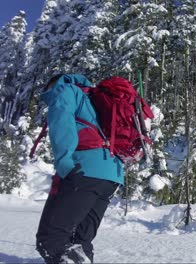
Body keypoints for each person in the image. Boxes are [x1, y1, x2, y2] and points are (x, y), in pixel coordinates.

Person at [35, 74, 124, 263]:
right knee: (80, 241)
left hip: (83, 171)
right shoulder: (92, 98)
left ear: (54, 83)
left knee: (51, 240)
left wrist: (64, 162)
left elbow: (62, 124)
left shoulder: (65, 90)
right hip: (112, 174)